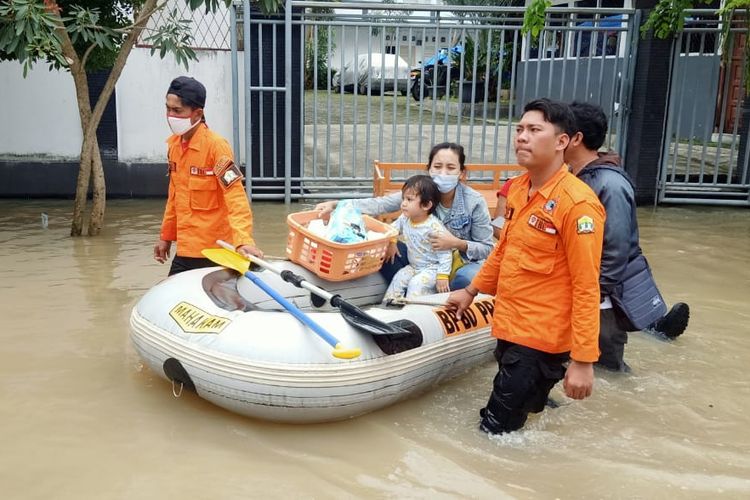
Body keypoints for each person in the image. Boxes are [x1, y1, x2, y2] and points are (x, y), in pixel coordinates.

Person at [446, 98, 605, 435]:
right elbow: (504, 251)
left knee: (494, 432)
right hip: (509, 325)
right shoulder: (519, 189)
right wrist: (471, 291)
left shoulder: (578, 205)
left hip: (540, 341)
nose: (521, 137)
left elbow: (587, 285)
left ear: (562, 141)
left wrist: (583, 360)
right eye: (519, 129)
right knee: (519, 416)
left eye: (534, 130)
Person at [565, 101, 690, 372]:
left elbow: (616, 247)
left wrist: (593, 293)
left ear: (575, 139)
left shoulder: (608, 184)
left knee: (607, 364)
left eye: (559, 131)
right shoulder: (577, 177)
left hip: (605, 291)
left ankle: (656, 329)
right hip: (586, 287)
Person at [315, 142, 494, 290]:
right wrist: (336, 204)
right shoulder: (419, 192)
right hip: (422, 259)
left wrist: (456, 243)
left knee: (466, 279)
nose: (443, 173)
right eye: (437, 167)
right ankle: (405, 291)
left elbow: (487, 248)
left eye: (451, 168)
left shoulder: (474, 202)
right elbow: (381, 204)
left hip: (461, 263)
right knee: (383, 246)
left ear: (462, 173)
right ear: (429, 169)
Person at [154, 76, 263, 276]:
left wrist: (244, 241)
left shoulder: (216, 147)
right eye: (168, 109)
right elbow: (174, 196)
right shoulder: (174, 147)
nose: (170, 115)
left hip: (216, 252)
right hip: (186, 250)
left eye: (177, 111)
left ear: (197, 113)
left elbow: (235, 197)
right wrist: (166, 236)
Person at [383, 175, 453, 301]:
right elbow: (392, 229)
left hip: (432, 269)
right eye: (403, 198)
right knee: (398, 279)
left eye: (409, 200)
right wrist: (392, 242)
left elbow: (445, 254)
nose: (403, 203)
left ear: (426, 205)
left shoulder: (434, 228)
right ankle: (388, 308)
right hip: (414, 266)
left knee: (416, 284)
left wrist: (442, 276)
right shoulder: (405, 218)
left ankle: (414, 311)